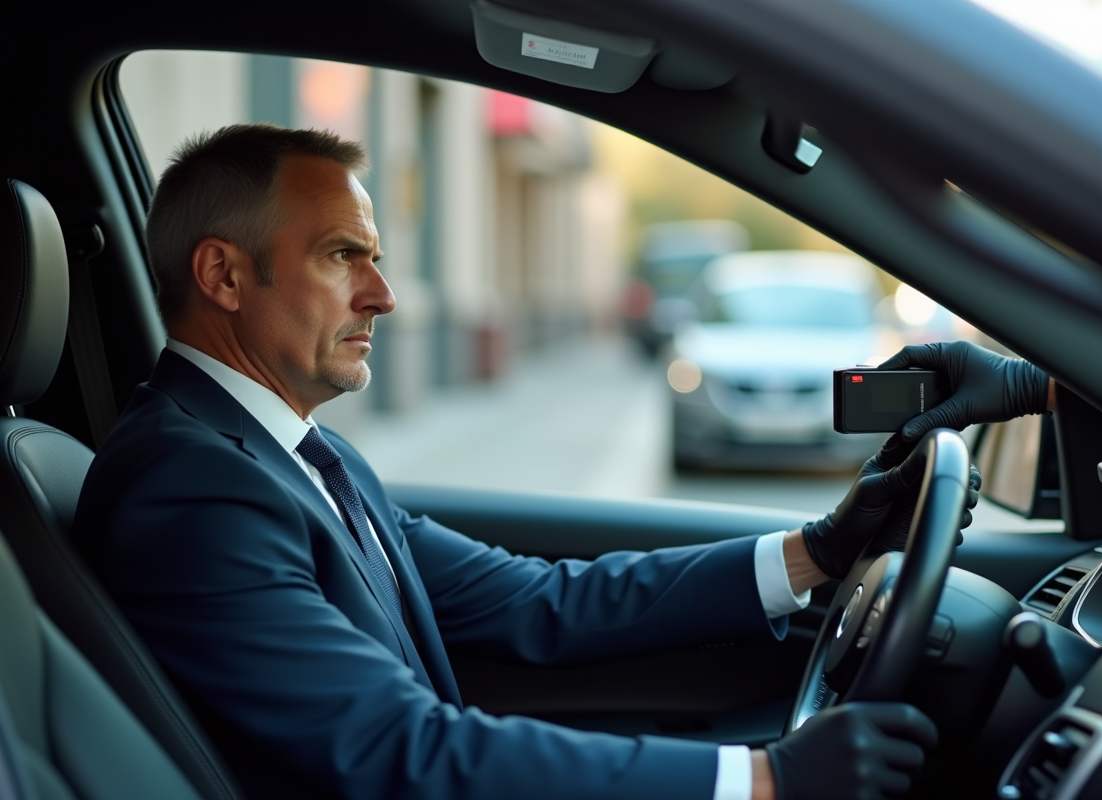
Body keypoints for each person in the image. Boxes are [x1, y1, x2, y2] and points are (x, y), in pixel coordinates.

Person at [73, 124, 1052, 800]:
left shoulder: (299, 457)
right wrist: (763, 779)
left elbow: (535, 600)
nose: (383, 294)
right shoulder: (191, 489)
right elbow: (395, 750)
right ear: (223, 274)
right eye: (342, 255)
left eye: (375, 257)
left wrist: (818, 553)